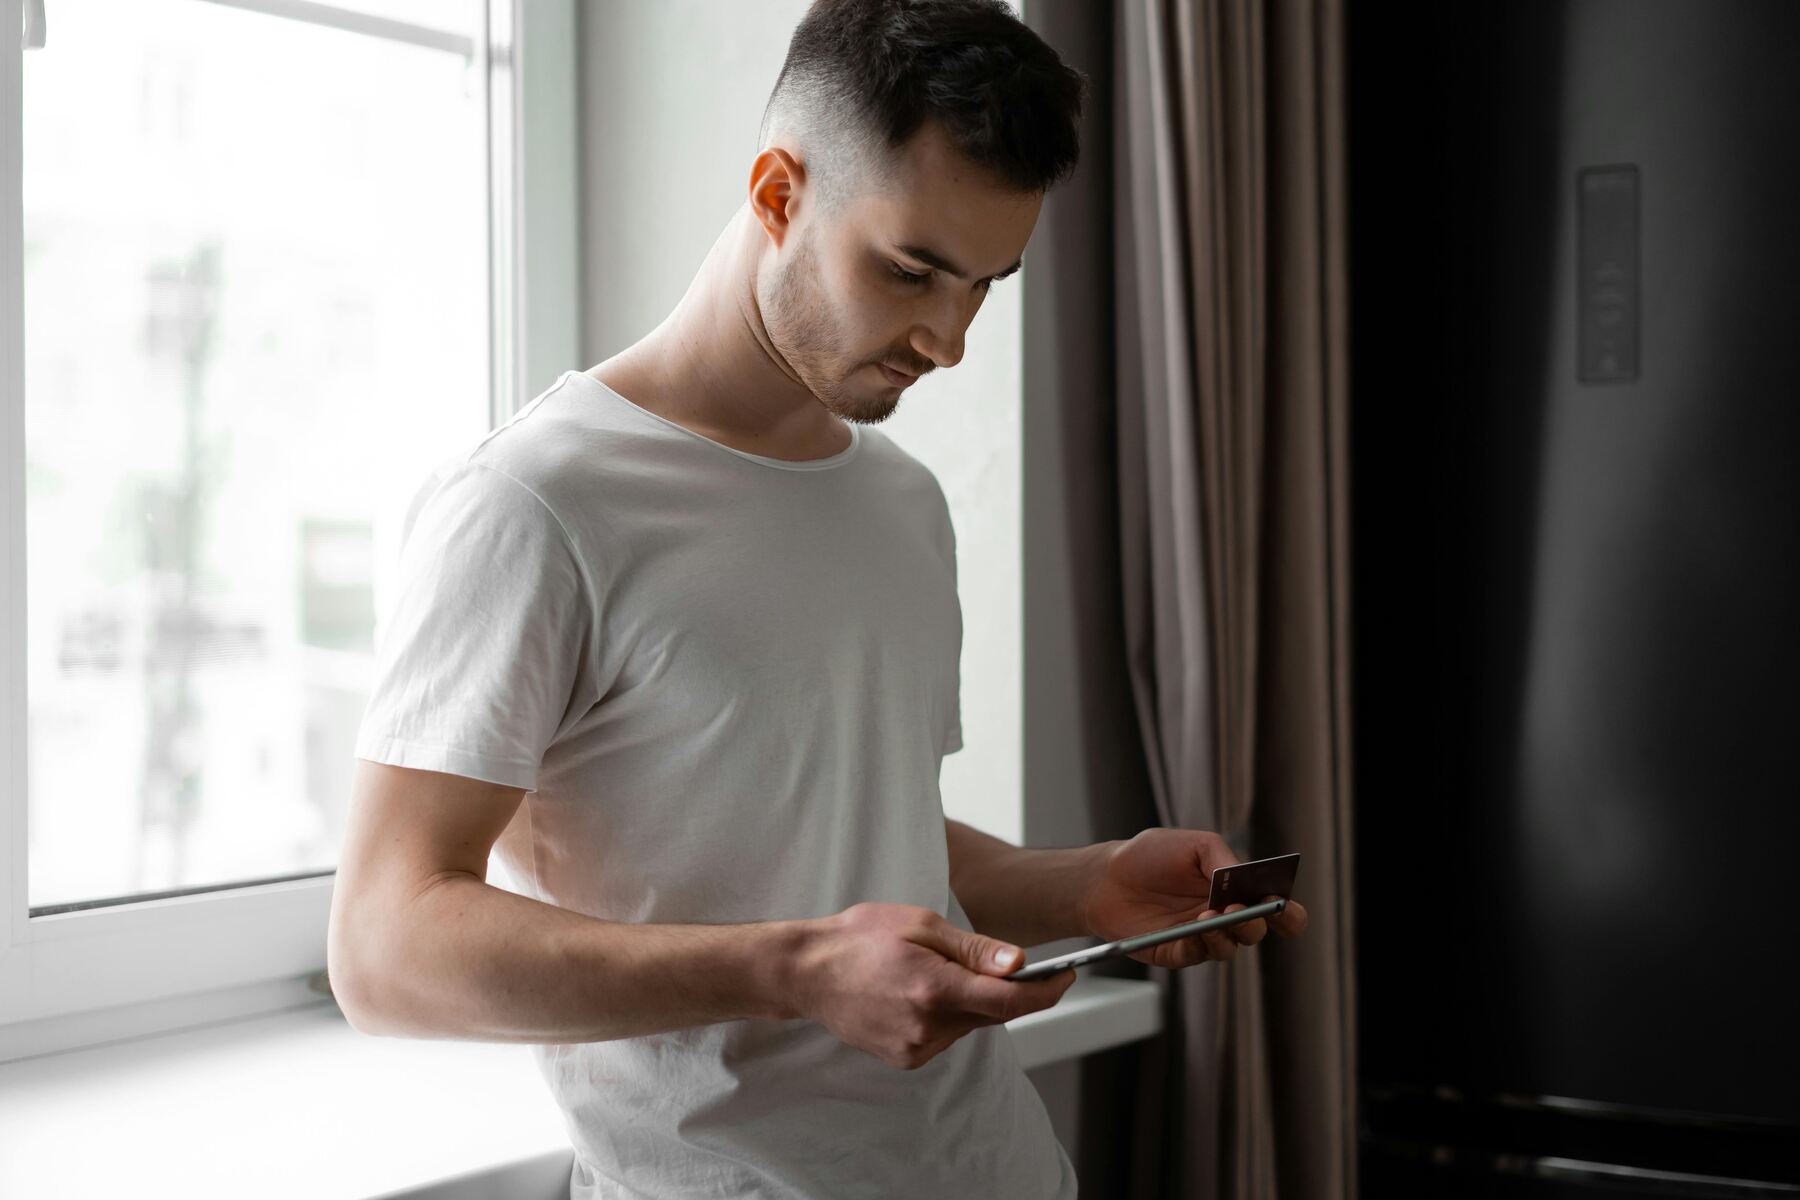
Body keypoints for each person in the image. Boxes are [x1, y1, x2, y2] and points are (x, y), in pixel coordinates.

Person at [327, 1, 1308, 1197]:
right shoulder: (533, 504)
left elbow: (847, 824)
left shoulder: (901, 501)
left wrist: (1082, 886)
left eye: (987, 285)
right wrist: (796, 969)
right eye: (911, 271)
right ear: (778, 192)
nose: (947, 340)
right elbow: (381, 948)